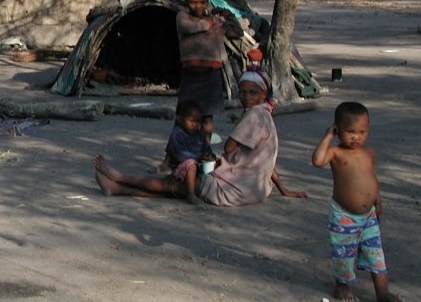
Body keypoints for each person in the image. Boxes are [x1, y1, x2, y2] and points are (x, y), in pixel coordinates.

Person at [94, 68, 307, 205]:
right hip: (257, 189)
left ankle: (120, 179)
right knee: (180, 190)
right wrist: (284, 190)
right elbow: (267, 161)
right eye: (243, 92)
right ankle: (117, 188)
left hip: (238, 187)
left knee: (176, 184)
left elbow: (230, 148)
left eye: (252, 93)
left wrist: (205, 142)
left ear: (263, 94)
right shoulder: (267, 116)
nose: (246, 97)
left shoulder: (253, 117)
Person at [312, 102, 400, 302]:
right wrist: (327, 137)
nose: (356, 137)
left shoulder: (368, 153)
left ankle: (382, 292)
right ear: (337, 129)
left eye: (362, 132)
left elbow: (372, 178)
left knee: (376, 253)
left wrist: (377, 199)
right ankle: (342, 286)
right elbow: (317, 161)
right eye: (350, 132)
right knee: (344, 253)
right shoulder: (336, 153)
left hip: (368, 216)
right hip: (344, 215)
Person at [177, 0, 242, 124]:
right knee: (186, 115)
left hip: (212, 73)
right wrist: (212, 22)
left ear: (207, 2)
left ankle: (205, 145)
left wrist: (229, 15)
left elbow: (237, 32)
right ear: (187, 2)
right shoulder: (182, 17)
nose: (198, 6)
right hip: (191, 73)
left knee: (208, 116)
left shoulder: (216, 21)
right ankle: (185, 144)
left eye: (202, 2)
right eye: (194, 2)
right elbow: (191, 27)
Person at [162, 100, 215, 204]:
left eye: (198, 121)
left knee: (215, 165)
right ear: (180, 119)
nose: (195, 124)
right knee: (191, 164)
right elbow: (180, 155)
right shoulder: (177, 134)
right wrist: (198, 156)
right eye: (191, 120)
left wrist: (210, 156)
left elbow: (206, 147)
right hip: (180, 166)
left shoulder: (199, 134)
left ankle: (206, 190)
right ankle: (191, 194)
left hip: (198, 164)